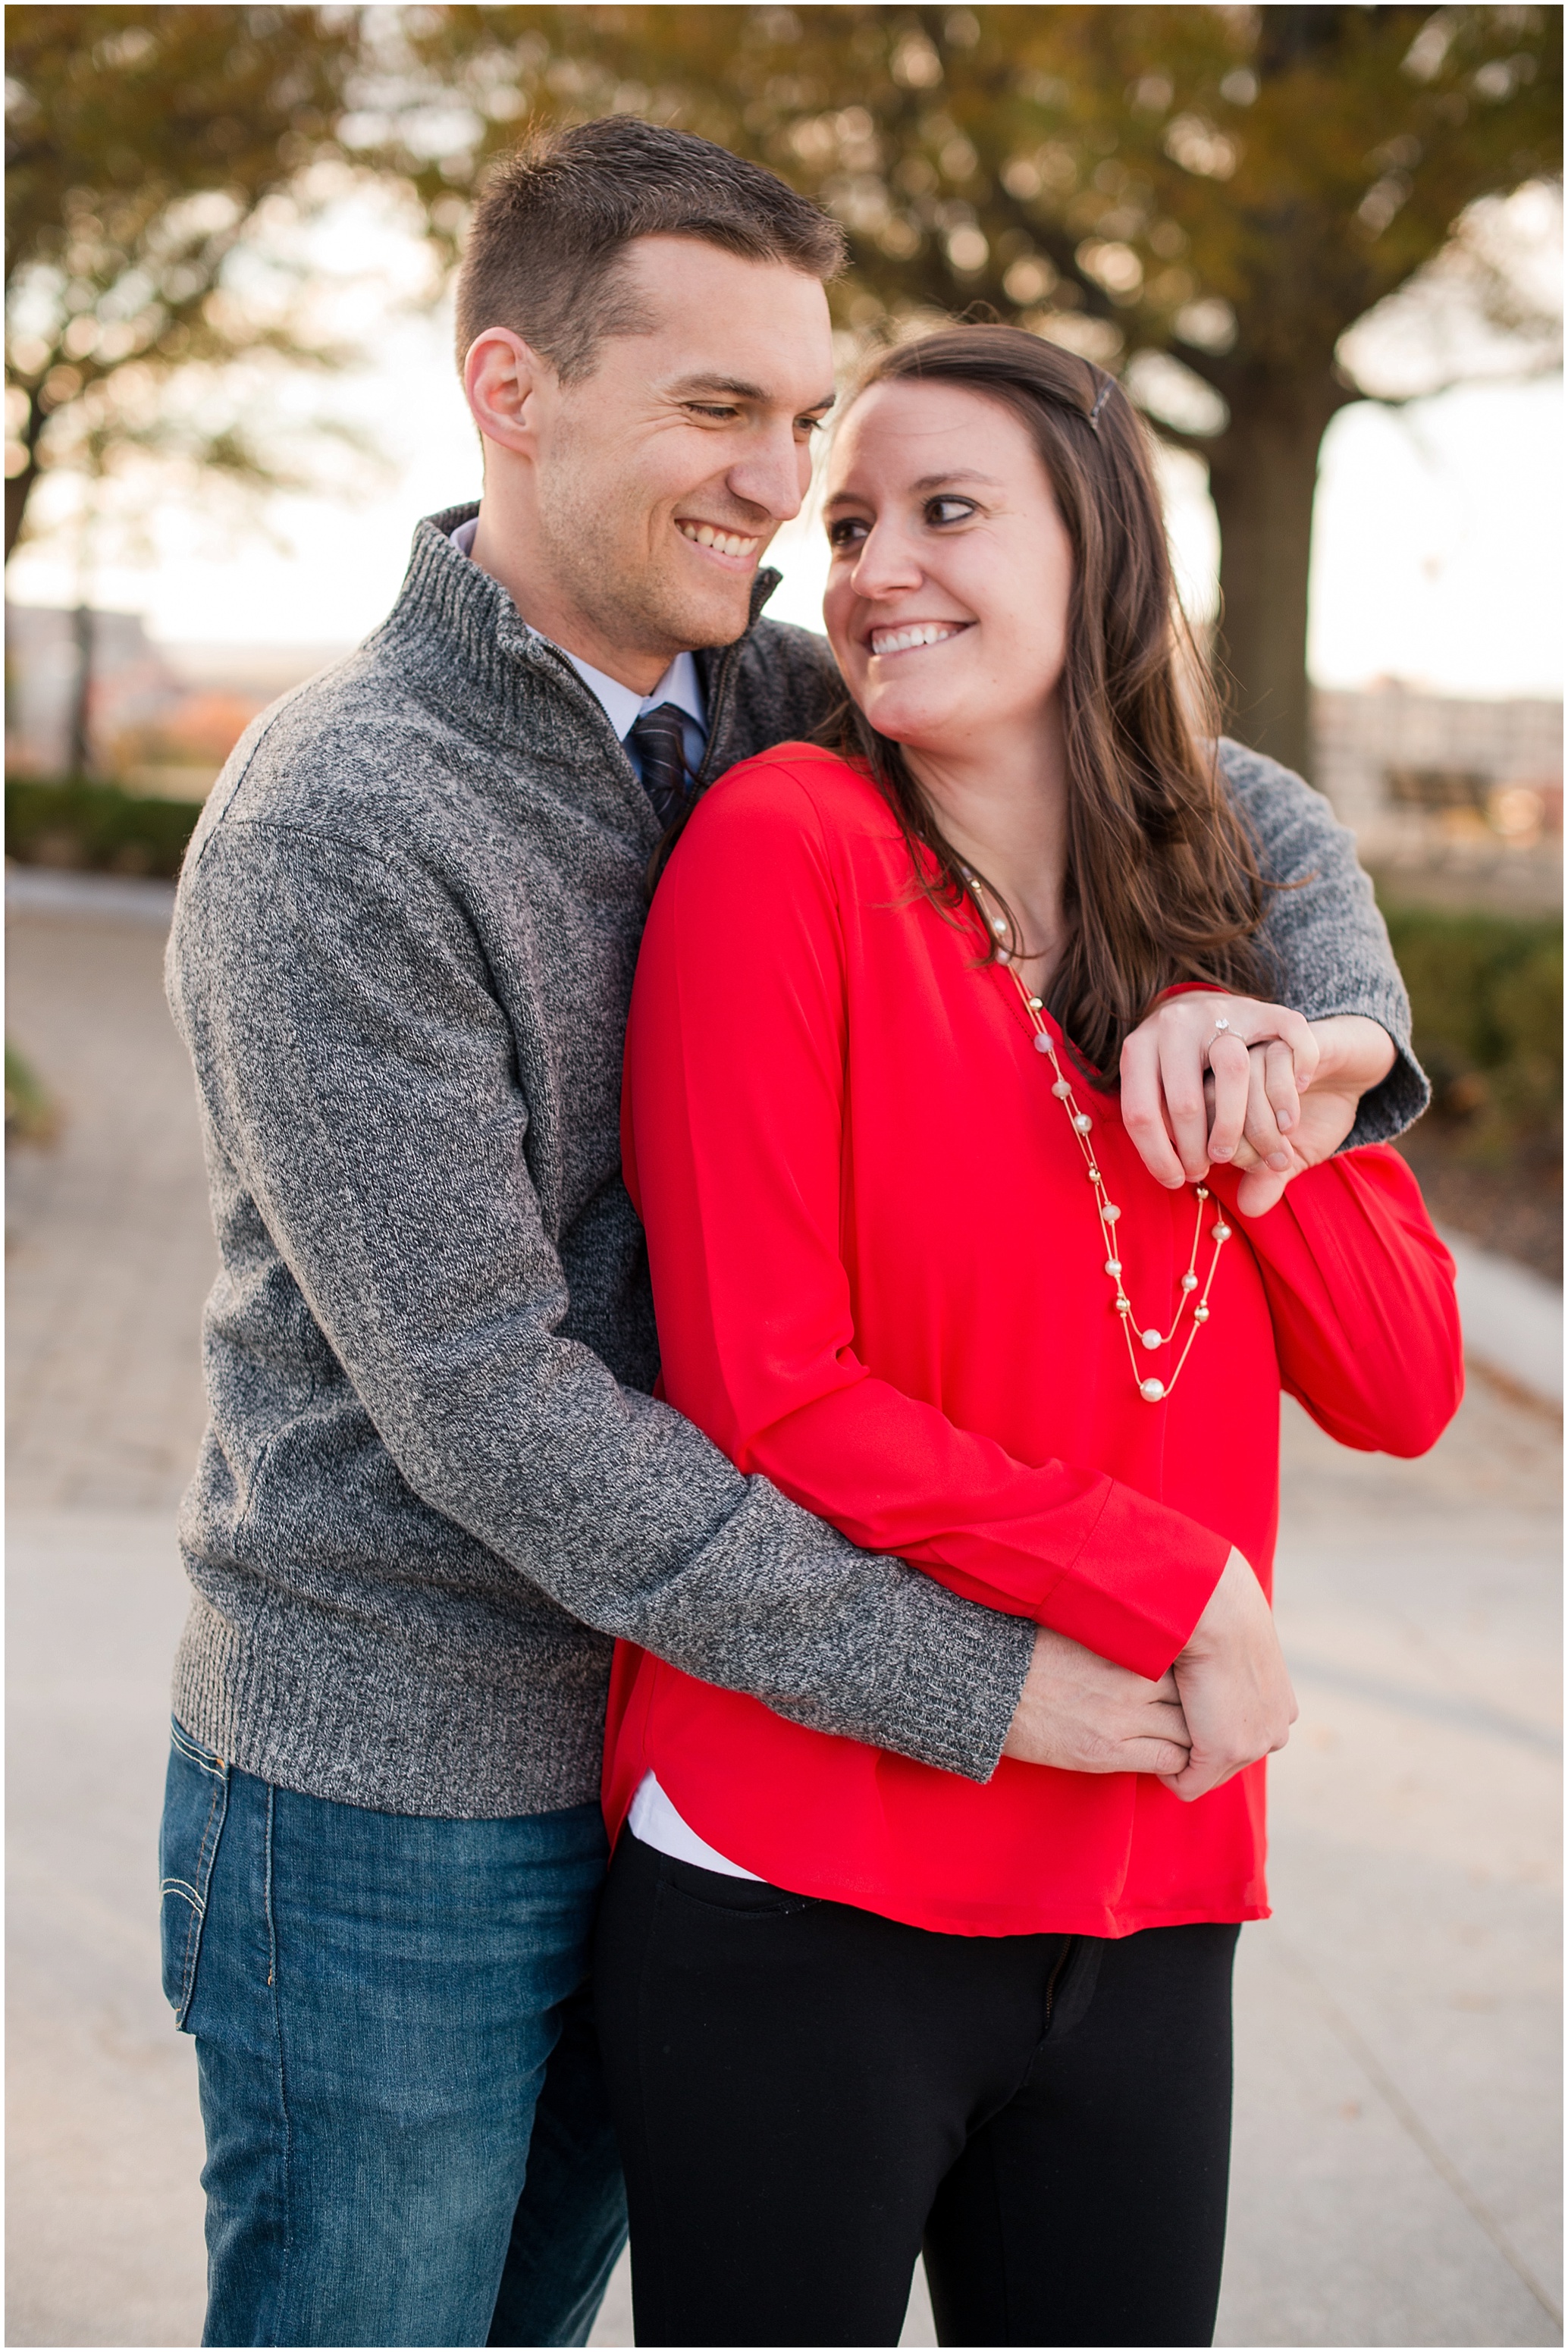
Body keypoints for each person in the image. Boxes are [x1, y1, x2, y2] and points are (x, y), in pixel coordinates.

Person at [159, 118, 1428, 2348]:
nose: (780, 491)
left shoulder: (780, 693)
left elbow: (1187, 786)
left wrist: (1317, 1037)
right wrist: (995, 1685)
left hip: (705, 1733)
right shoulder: (344, 818)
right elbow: (492, 1404)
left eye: (806, 428)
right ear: (510, 389)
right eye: (716, 413)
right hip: (410, 1775)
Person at [595, 325, 1464, 2349]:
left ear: (1102, 557)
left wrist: (1267, 1086)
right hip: (800, 1871)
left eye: (947, 511)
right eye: (853, 524)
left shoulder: (1224, 910)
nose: (876, 567)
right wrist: (1173, 1586)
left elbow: (1403, 1384)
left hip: (1150, 1877)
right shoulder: (789, 849)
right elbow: (766, 1383)